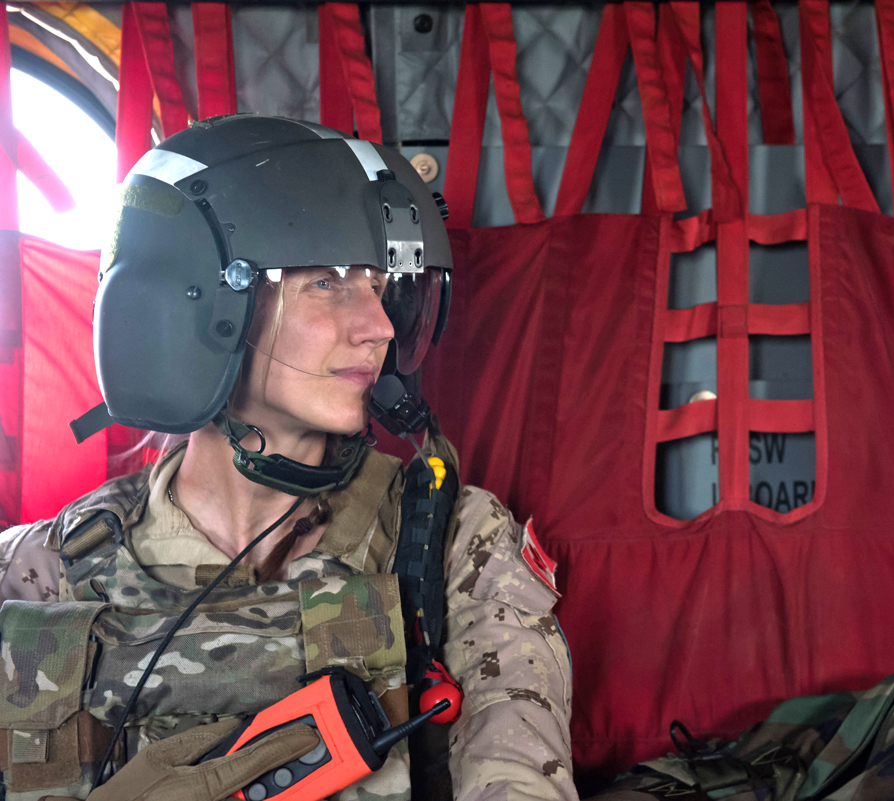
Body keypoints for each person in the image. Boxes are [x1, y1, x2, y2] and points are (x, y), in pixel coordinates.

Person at [0, 115, 576, 801]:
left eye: (379, 285)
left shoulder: (449, 541)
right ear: (204, 307)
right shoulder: (37, 572)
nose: (381, 326)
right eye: (328, 283)